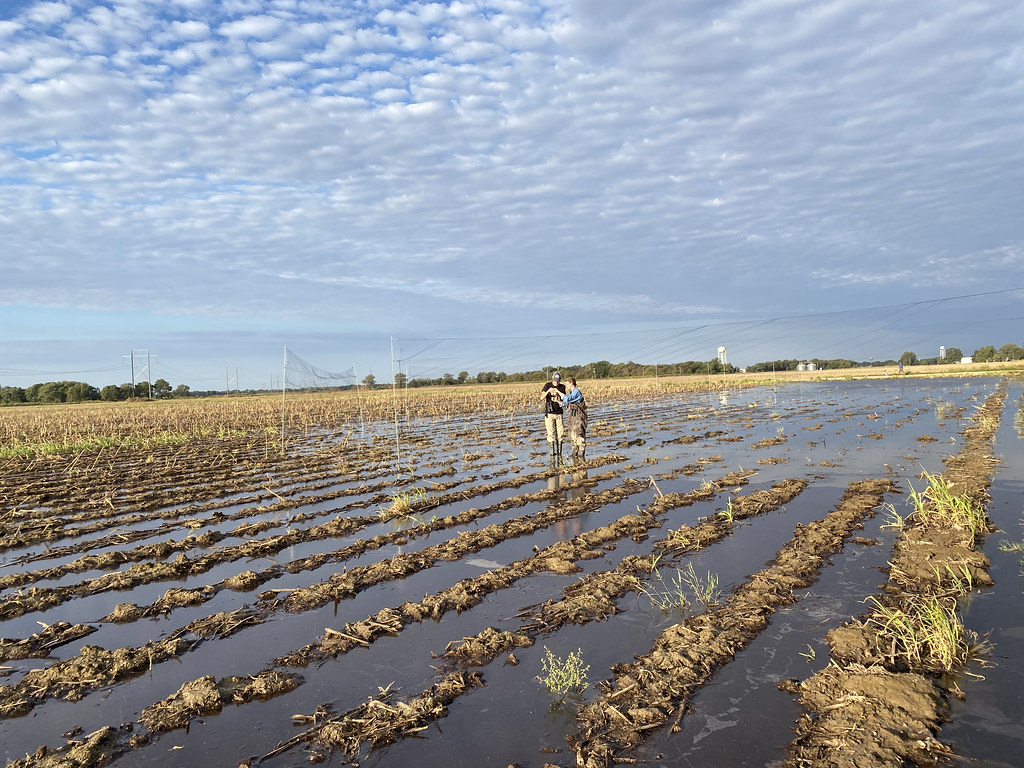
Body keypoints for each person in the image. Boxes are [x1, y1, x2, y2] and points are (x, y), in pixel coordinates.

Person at [541, 371, 566, 460]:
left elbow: (564, 399)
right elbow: (541, 397)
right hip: (549, 413)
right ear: (553, 379)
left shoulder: (562, 387)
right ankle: (552, 455)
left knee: (560, 433)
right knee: (551, 433)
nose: (556, 382)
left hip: (559, 413)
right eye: (555, 381)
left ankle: (559, 454)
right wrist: (548, 391)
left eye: (558, 381)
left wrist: (557, 394)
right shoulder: (547, 385)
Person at [560, 377, 588, 460]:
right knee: (572, 434)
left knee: (579, 433)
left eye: (567, 384)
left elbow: (568, 398)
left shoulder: (576, 392)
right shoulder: (571, 392)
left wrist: (558, 392)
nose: (566, 386)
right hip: (572, 417)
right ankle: (575, 453)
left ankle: (582, 455)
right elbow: (566, 404)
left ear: (571, 383)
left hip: (579, 416)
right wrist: (558, 401)